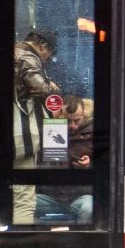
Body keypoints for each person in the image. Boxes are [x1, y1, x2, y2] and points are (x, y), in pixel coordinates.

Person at [12, 28, 60, 225]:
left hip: (6, 137)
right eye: (49, 54)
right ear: (43, 46)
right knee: (24, 198)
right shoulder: (27, 57)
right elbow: (43, 90)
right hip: (21, 138)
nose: (48, 59)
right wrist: (53, 87)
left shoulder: (10, 53)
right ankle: (19, 244)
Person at [35, 96, 94, 225]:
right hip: (51, 197)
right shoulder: (49, 131)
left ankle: (83, 243)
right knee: (25, 205)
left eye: (77, 121)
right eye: (68, 121)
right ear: (60, 117)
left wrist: (89, 165)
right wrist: (54, 126)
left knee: (89, 208)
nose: (72, 126)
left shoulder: (92, 134)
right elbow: (40, 164)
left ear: (83, 116)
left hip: (80, 196)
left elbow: (106, 165)